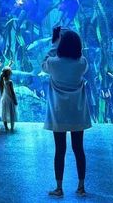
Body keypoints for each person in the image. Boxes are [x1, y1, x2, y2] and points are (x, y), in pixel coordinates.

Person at [43, 27, 91, 197]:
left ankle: (59, 187)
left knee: (60, 150)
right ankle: (81, 186)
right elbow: (81, 59)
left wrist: (55, 43)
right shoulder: (82, 63)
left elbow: (44, 62)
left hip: (59, 114)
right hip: (77, 114)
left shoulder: (54, 64)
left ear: (60, 45)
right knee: (79, 149)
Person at [0, 66, 19, 132]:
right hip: (10, 100)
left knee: (4, 113)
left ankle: (6, 128)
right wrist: (15, 100)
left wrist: (9, 65)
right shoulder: (10, 82)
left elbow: (1, 91)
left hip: (4, 99)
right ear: (9, 74)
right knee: (11, 113)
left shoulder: (1, 81)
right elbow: (12, 92)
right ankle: (12, 128)